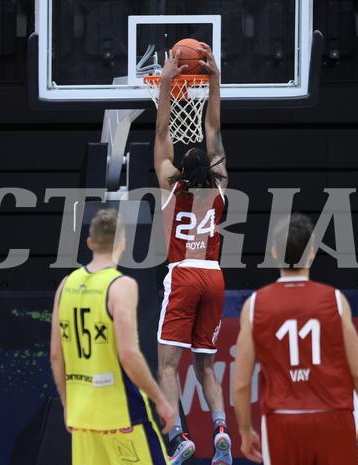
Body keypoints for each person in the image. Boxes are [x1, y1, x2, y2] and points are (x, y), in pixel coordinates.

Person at [232, 213, 358, 464]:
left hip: (283, 420)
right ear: (312, 252)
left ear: (275, 252)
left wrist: (246, 431)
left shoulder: (255, 305)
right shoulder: (335, 300)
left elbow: (242, 384)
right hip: (334, 417)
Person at [152, 41, 232, 465]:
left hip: (183, 273)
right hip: (214, 275)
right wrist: (214, 78)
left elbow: (163, 131)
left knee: (168, 367)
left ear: (182, 168)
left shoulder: (170, 186)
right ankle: (220, 428)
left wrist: (167, 81)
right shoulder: (219, 188)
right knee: (207, 366)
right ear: (212, 168)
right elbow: (213, 127)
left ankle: (178, 437)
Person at [50, 208, 176, 465]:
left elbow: (55, 354)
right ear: (122, 243)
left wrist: (67, 404)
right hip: (122, 413)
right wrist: (160, 401)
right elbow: (128, 355)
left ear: (90, 243)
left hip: (82, 415)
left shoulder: (65, 284)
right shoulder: (121, 286)